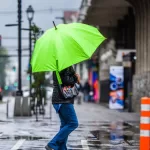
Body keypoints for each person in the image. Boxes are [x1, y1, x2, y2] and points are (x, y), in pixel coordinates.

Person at [45, 66, 79, 150]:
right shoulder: (64, 64)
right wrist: (75, 77)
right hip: (63, 100)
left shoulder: (57, 65)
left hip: (58, 99)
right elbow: (67, 80)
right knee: (73, 123)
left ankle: (62, 148)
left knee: (65, 124)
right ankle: (52, 143)